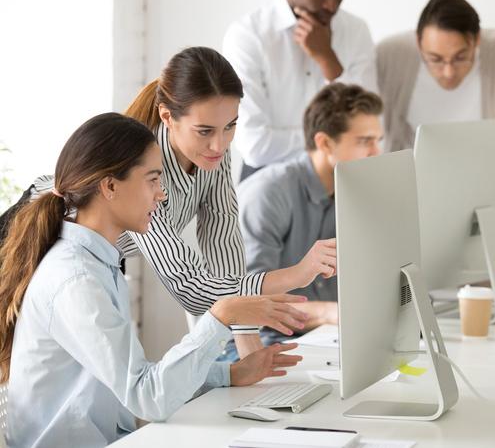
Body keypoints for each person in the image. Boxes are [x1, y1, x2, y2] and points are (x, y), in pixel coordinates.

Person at [0, 113, 308, 448]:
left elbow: (135, 381)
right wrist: (222, 315)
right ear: (110, 186)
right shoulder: (76, 279)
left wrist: (231, 375)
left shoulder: (99, 262)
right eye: (152, 180)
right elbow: (146, 396)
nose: (161, 195)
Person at [24, 47, 337, 357]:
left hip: (94, 264)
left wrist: (247, 342)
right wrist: (295, 274)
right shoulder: (143, 170)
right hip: (33, 245)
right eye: (204, 131)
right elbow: (191, 288)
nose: (220, 143)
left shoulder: (212, 153)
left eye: (230, 126)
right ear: (167, 117)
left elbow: (222, 241)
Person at [376, 0, 495, 299]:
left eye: (460, 58)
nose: (448, 72)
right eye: (435, 60)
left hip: (484, 224)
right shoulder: (389, 56)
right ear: (418, 43)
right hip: (410, 228)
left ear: (477, 41)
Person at [219, 83, 383, 360]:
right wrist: (331, 312)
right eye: (364, 141)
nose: (376, 153)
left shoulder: (357, 191)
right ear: (325, 143)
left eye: (378, 140)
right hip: (256, 346)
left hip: (324, 341)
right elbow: (249, 304)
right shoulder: (269, 194)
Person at [223, 0, 377, 180]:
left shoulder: (356, 31)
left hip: (340, 182)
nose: (332, 6)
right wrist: (333, 141)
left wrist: (328, 60)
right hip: (268, 182)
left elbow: (367, 126)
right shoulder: (248, 36)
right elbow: (254, 144)